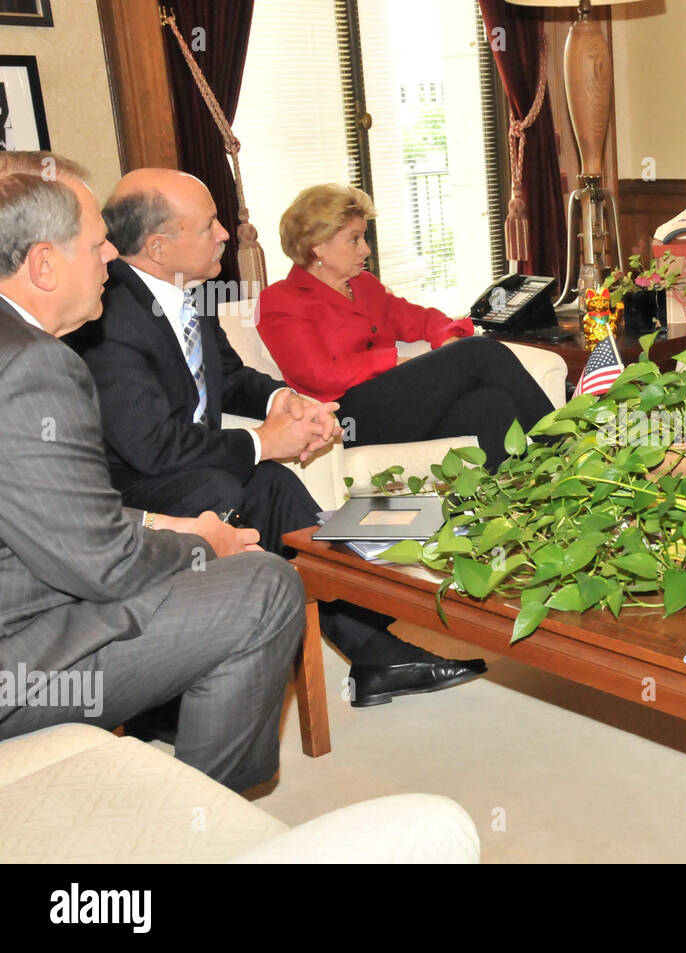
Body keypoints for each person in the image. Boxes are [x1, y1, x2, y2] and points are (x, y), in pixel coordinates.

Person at [68, 168, 485, 708]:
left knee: (273, 487)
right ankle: (188, 687)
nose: (225, 234)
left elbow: (232, 374)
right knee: (234, 485)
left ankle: (369, 639)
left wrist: (283, 400)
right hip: (126, 496)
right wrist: (266, 441)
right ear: (158, 245)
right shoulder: (114, 316)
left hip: (187, 469)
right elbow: (152, 451)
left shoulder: (182, 296)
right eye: (210, 223)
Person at [0, 152, 304, 791]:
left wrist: (158, 522)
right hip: (19, 659)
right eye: (97, 245)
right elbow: (103, 565)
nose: (113, 257)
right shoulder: (34, 367)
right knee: (263, 585)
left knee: (241, 506)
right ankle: (210, 824)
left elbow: (51, 511)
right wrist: (199, 541)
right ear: (44, 265)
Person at [255, 183, 554, 470]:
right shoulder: (281, 301)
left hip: (399, 408)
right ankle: (564, 448)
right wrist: (391, 362)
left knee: (492, 404)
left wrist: (447, 337)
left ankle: (512, 506)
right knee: (479, 352)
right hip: (347, 419)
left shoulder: (364, 286)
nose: (366, 249)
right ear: (318, 246)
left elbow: (417, 319)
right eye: (355, 239)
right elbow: (319, 374)